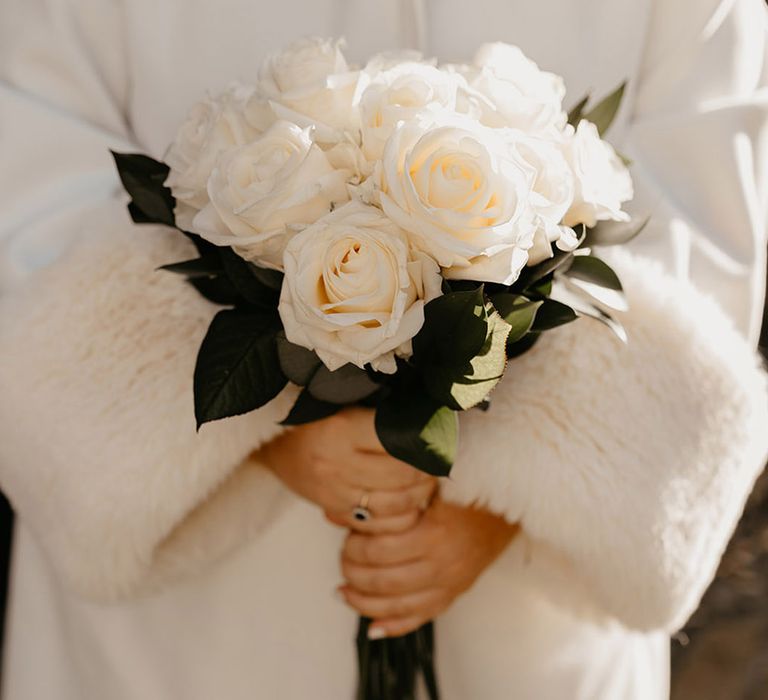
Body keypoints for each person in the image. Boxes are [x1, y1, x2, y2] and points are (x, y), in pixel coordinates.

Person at [0, 0, 767, 698]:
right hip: (180, 628)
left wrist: (522, 483)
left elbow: (703, 205)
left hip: (526, 619)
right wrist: (253, 418)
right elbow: (31, 147)